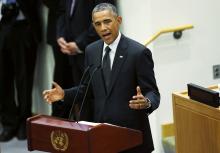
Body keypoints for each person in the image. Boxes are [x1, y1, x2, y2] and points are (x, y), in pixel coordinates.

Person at [43, 3, 160, 153]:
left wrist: (147, 102)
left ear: (118, 20)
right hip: (101, 136)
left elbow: (153, 93)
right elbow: (87, 89)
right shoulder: (91, 51)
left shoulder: (138, 53)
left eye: (107, 21)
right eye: (98, 24)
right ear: (93, 26)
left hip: (131, 137)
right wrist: (64, 94)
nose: (103, 28)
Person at [51, 0, 116, 118]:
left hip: (95, 50)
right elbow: (62, 11)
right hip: (73, 53)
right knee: (82, 102)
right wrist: (61, 35)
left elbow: (104, 16)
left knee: (98, 103)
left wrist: (79, 44)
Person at [0, 0, 42, 141]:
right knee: (3, 78)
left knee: (24, 78)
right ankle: (8, 122)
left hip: (24, 26)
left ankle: (25, 121)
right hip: (1, 25)